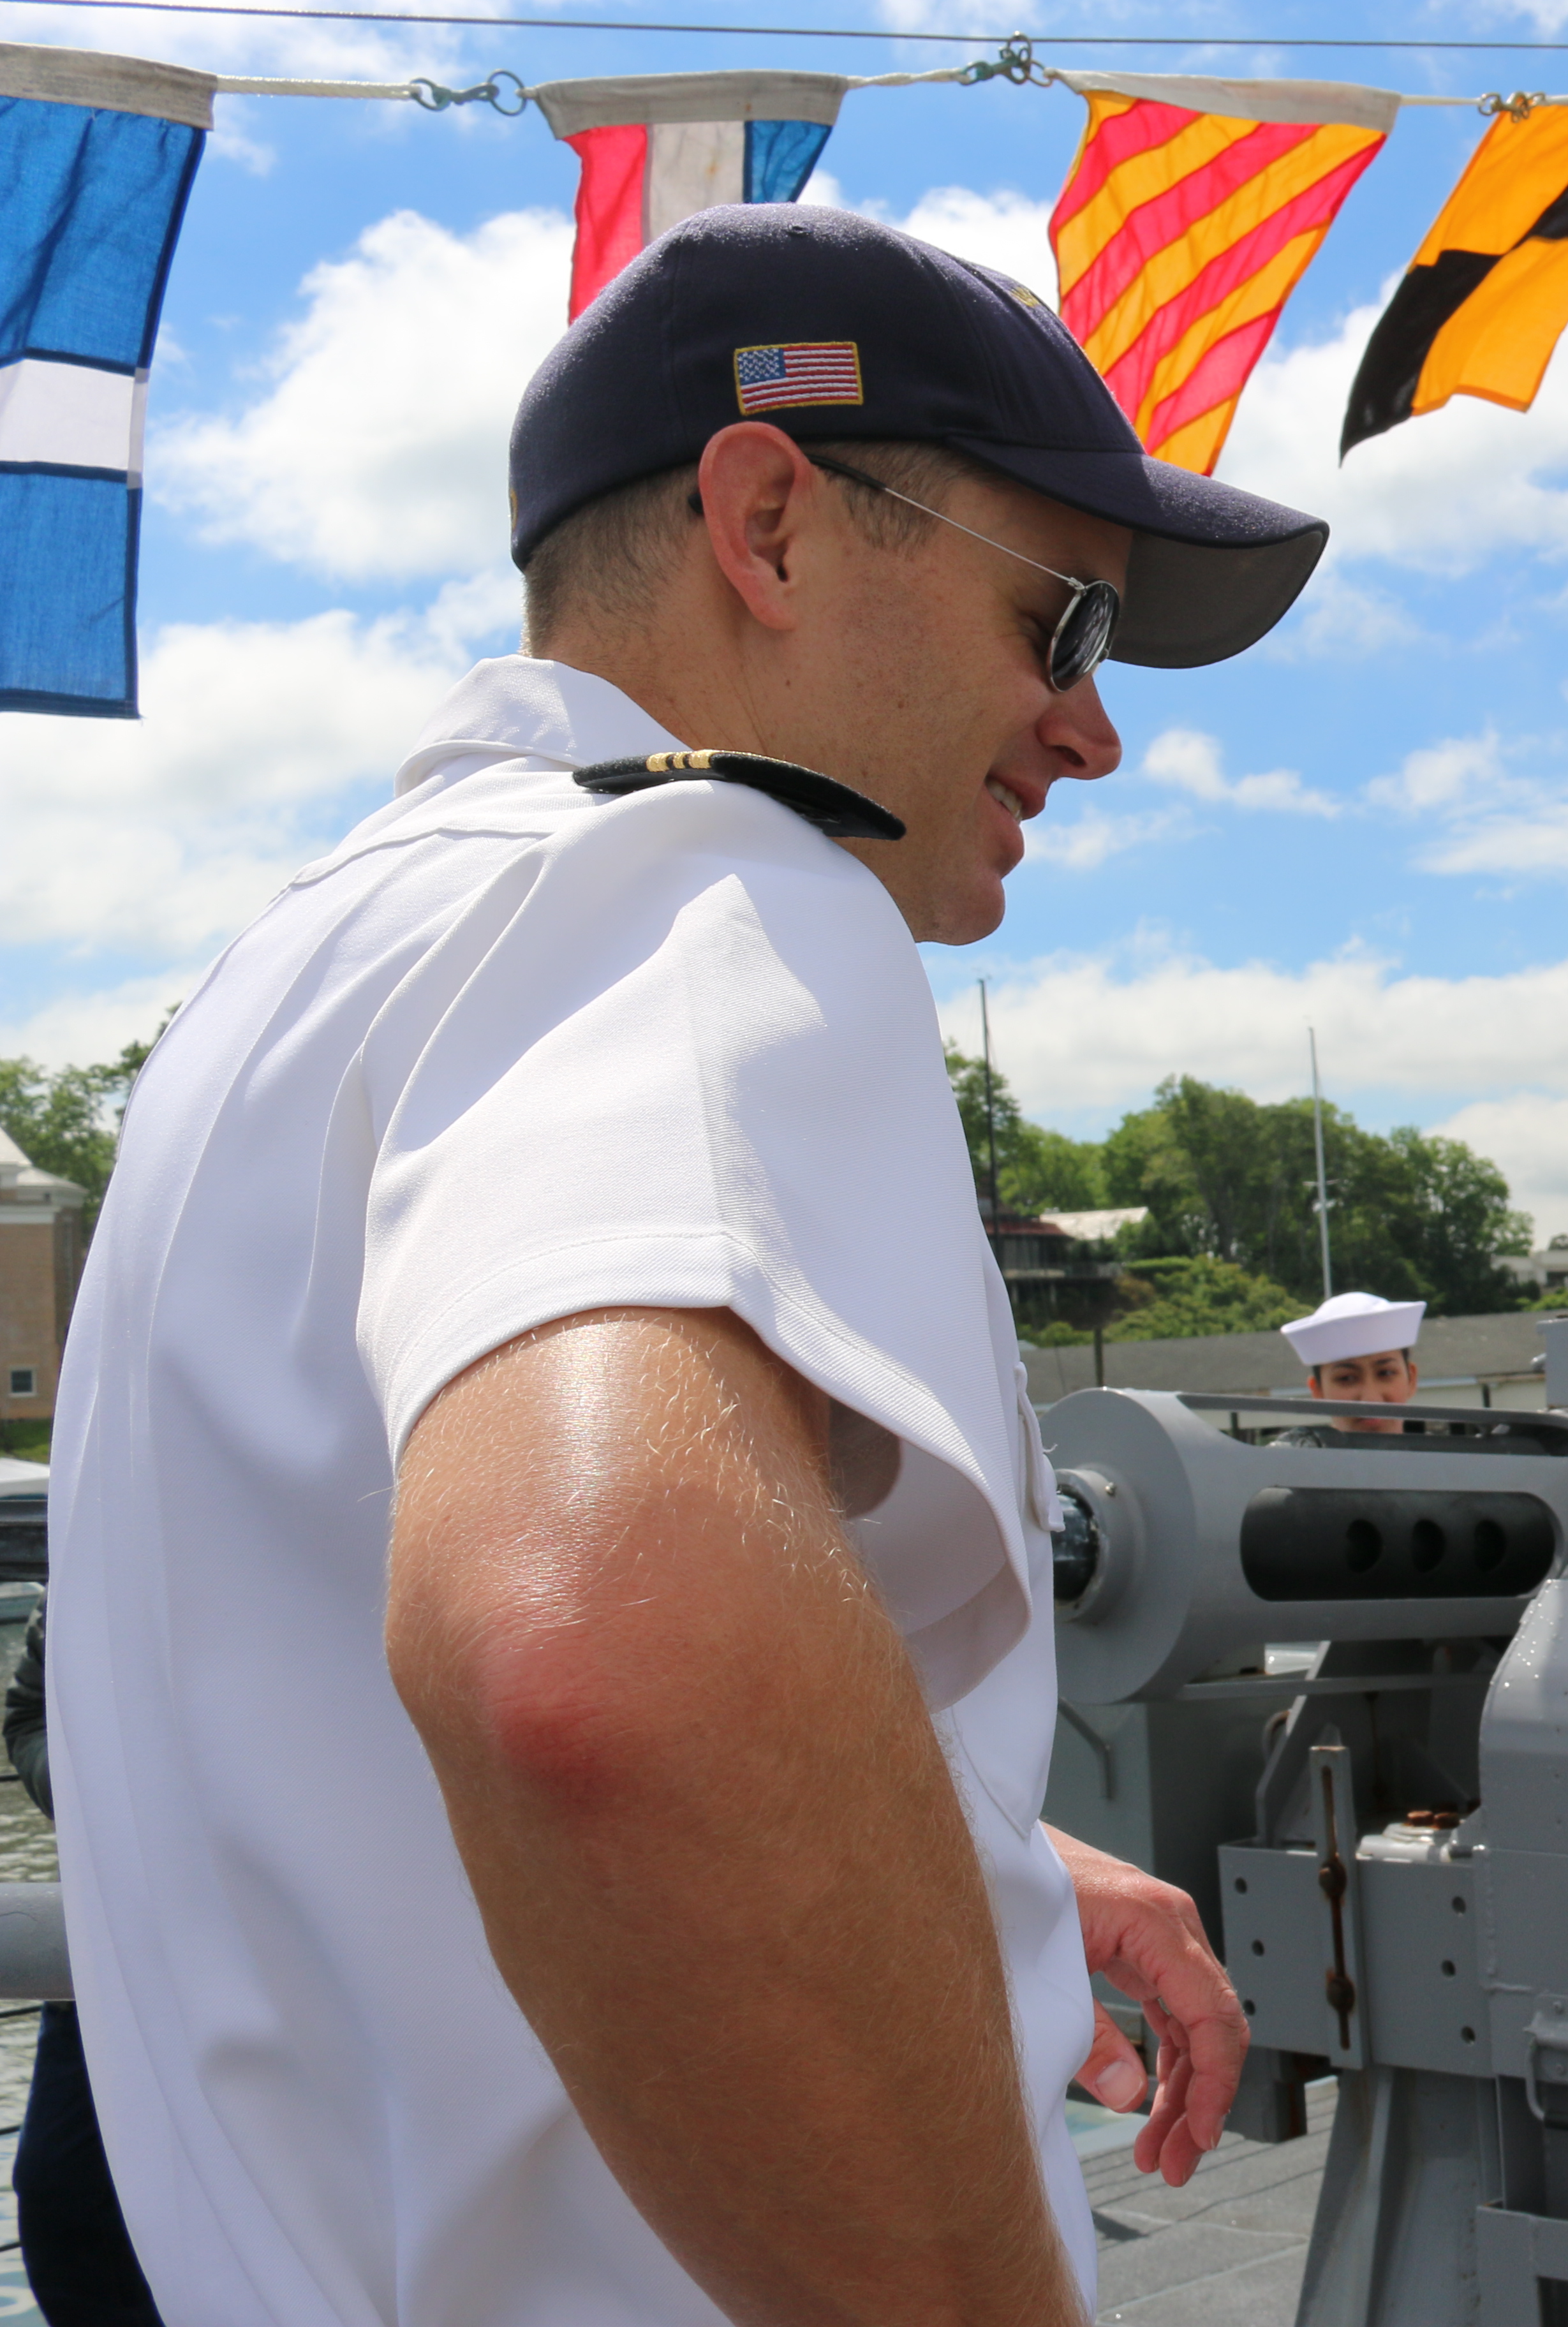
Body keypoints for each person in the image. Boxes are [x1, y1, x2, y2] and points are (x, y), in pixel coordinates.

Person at [50, 207, 1328, 2324]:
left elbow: (320, 1718)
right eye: (1066, 621)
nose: (1089, 732)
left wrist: (979, 1880)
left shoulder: (297, 967)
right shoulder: (709, 876)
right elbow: (598, 1646)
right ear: (771, 516)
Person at [6, 1599, 163, 2327]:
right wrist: (106, 1797)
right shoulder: (90, 1525)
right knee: (65, 2206)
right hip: (117, 1936)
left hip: (295, 1944)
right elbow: (30, 1715)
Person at [1281, 1290, 1426, 1434]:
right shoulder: (1294, 1458)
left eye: (1386, 1373)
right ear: (1318, 1391)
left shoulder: (1442, 1458)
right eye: (1347, 1378)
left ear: (1411, 1379)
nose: (1371, 1399)